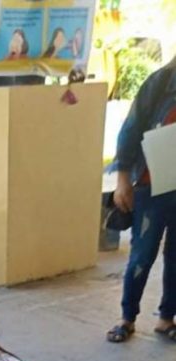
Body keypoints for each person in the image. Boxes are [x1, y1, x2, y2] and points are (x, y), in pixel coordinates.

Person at [106, 57, 176, 343]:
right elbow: (131, 129)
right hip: (151, 185)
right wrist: (123, 179)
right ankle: (127, 318)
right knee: (142, 255)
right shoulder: (160, 82)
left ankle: (166, 319)